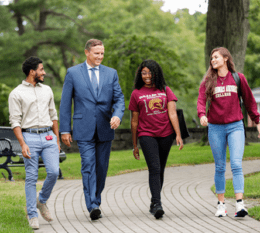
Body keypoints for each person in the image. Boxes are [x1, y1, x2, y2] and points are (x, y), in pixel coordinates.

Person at [59, 39, 125, 220]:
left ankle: (95, 199)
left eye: (102, 53)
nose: (100, 57)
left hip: (105, 127)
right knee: (88, 166)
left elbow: (119, 99)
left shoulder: (111, 74)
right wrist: (65, 130)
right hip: (83, 128)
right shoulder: (73, 73)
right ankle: (93, 205)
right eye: (97, 53)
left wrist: (117, 115)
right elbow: (65, 103)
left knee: (102, 168)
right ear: (87, 52)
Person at [197, 47, 260, 218]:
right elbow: (201, 100)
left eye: (216, 57)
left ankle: (240, 204)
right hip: (215, 128)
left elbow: (249, 101)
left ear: (225, 58)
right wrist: (202, 115)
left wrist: (258, 120)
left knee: (237, 164)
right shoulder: (208, 81)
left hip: (235, 126)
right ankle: (221, 205)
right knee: (219, 166)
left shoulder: (238, 78)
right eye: (211, 58)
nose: (212, 60)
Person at [8, 57, 60, 230]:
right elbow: (15, 121)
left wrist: (56, 139)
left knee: (53, 172)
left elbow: (54, 115)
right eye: (41, 69)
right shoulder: (16, 93)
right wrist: (22, 144)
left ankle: (41, 201)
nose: (44, 72)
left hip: (48, 136)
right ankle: (32, 215)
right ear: (32, 72)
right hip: (29, 137)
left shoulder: (47, 90)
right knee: (31, 177)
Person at [129, 59, 183, 219]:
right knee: (154, 168)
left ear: (156, 73)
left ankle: (154, 201)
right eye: (144, 73)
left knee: (161, 169)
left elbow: (172, 113)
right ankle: (158, 204)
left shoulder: (165, 90)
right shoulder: (136, 93)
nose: (147, 76)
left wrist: (178, 134)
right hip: (146, 134)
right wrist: (135, 144)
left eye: (150, 73)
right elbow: (134, 121)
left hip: (166, 134)